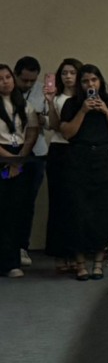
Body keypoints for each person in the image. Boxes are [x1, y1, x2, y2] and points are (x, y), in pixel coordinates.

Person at [60, 64, 108, 281]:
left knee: (103, 211)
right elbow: (67, 133)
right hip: (78, 159)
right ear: (80, 84)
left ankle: (98, 262)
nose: (90, 84)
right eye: (86, 81)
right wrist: (83, 111)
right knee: (78, 211)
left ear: (100, 82)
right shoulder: (72, 104)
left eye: (94, 80)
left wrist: (105, 111)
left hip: (103, 160)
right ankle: (80, 264)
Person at [42, 58, 82, 273]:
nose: (68, 77)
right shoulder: (57, 98)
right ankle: (60, 254)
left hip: (80, 151)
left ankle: (76, 253)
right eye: (64, 73)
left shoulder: (84, 99)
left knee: (77, 204)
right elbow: (53, 126)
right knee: (59, 203)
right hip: (59, 150)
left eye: (72, 73)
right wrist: (50, 102)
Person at [0, 64, 39, 278]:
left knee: (15, 211)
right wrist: (9, 159)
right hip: (2, 157)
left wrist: (18, 160)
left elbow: (32, 131)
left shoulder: (23, 104)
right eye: (0, 79)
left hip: (20, 157)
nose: (5, 81)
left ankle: (11, 261)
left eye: (7, 77)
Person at [13, 56, 45, 268]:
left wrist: (42, 118)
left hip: (36, 155)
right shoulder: (6, 90)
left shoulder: (42, 91)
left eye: (32, 80)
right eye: (24, 80)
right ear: (15, 75)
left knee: (27, 202)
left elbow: (49, 122)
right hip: (10, 153)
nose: (28, 84)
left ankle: (21, 246)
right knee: (9, 200)